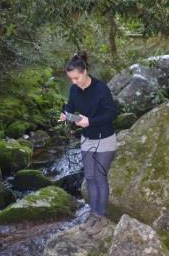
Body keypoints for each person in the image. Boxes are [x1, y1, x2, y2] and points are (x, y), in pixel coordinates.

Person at [59, 50, 118, 236]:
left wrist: (90, 121)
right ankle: (93, 214)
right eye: (71, 79)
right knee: (90, 177)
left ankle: (101, 216)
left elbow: (112, 113)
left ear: (84, 72)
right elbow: (70, 105)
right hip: (87, 139)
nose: (73, 82)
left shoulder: (101, 89)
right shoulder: (74, 89)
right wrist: (65, 113)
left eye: (75, 78)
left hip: (105, 138)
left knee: (100, 178)